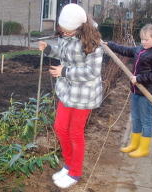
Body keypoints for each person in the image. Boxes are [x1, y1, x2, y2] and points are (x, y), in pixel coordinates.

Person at [38, 3, 103, 189]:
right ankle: (68, 165)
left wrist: (65, 72)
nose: (65, 34)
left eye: (68, 31)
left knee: (75, 133)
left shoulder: (92, 42)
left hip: (84, 94)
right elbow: (64, 54)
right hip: (67, 91)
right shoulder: (66, 36)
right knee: (59, 127)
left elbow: (92, 71)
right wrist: (49, 49)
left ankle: (75, 173)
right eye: (63, 30)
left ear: (80, 27)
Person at [104, 24, 152, 158]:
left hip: (147, 92)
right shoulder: (140, 49)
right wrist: (109, 44)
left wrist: (139, 78)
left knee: (146, 119)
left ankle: (144, 148)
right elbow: (125, 50)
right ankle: (134, 143)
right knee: (136, 118)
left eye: (146, 39)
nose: (143, 42)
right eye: (142, 39)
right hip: (135, 90)